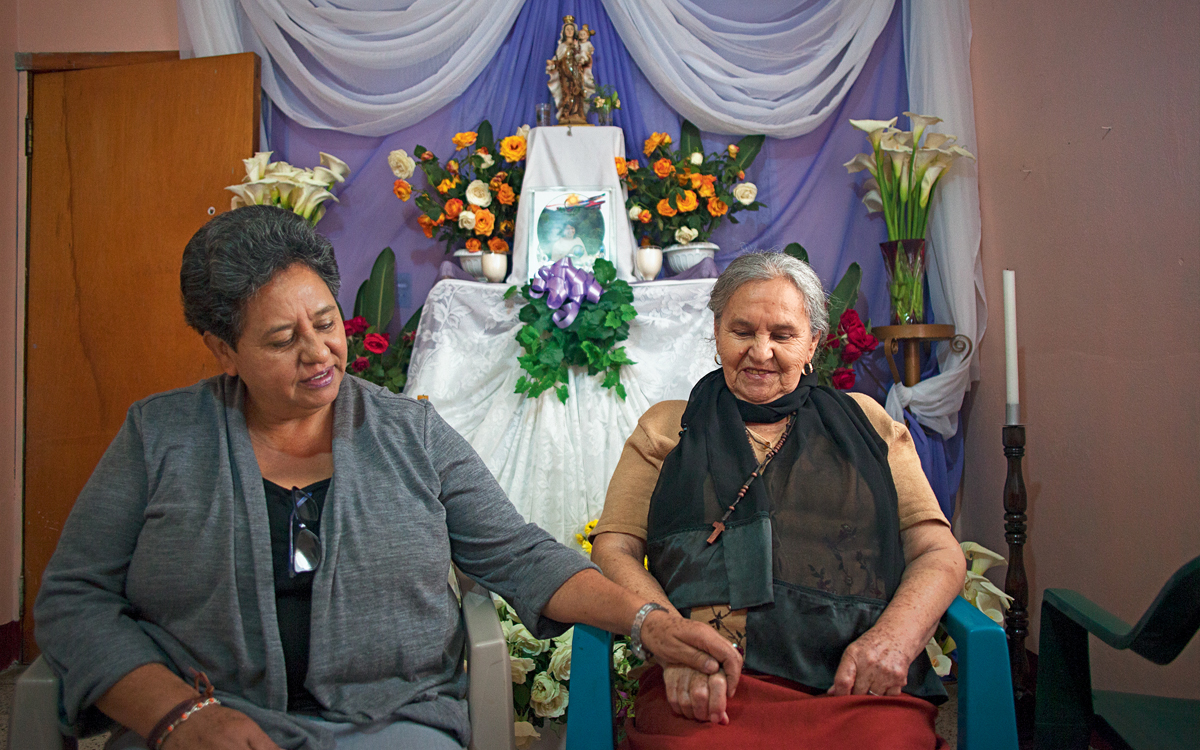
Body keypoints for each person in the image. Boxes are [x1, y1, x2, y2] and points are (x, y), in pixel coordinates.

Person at [34, 206, 741, 750]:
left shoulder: (411, 433)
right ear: (224, 350)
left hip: (390, 725)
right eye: (283, 340)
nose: (319, 353)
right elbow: (75, 599)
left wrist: (648, 621)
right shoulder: (158, 437)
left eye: (324, 323)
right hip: (209, 721)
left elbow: (521, 556)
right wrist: (178, 715)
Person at [590, 252, 966, 749]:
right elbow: (613, 548)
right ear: (717, 333)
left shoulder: (867, 424)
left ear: (813, 343)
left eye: (783, 335)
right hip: (705, 679)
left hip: (849, 684)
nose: (760, 352)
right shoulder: (667, 428)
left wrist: (893, 641)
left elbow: (937, 551)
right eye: (741, 332)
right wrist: (671, 640)